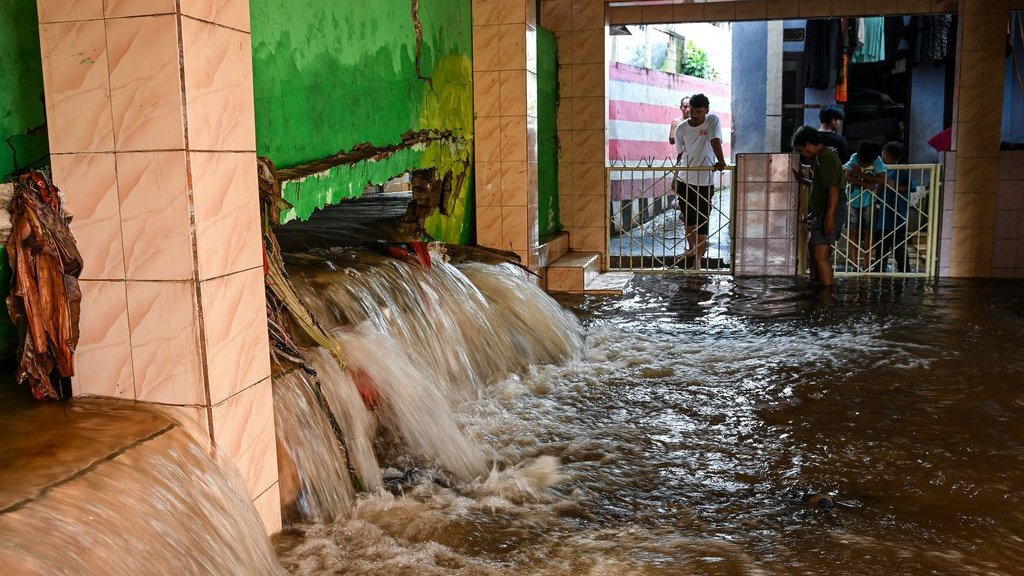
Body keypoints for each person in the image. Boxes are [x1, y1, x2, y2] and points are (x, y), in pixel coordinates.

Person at [673, 93, 727, 264]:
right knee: (688, 216)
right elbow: (680, 154)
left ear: (706, 110)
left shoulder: (712, 120)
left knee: (703, 217)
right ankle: (692, 250)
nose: (694, 115)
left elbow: (715, 140)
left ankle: (698, 258)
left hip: (705, 181)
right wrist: (675, 176)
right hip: (685, 179)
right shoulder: (681, 128)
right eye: (691, 112)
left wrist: (721, 160)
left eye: (698, 112)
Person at [792, 126, 847, 287]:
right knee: (814, 249)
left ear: (808, 145)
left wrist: (829, 218)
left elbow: (833, 189)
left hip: (830, 210)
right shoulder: (820, 158)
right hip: (825, 210)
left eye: (801, 150)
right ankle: (816, 287)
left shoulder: (825, 158)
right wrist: (803, 181)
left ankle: (826, 296)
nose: (802, 154)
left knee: (820, 253)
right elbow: (822, 186)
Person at [843, 142, 886, 270]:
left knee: (869, 233)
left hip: (869, 202)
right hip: (852, 201)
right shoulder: (855, 157)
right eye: (862, 163)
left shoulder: (876, 160)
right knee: (852, 233)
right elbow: (846, 176)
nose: (862, 165)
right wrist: (866, 184)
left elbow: (881, 179)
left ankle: (866, 264)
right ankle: (853, 264)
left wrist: (858, 174)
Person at [873, 141, 913, 272]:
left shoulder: (901, 171)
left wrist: (895, 187)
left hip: (897, 216)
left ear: (886, 154)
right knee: (881, 247)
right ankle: (880, 269)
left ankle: (904, 270)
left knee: (899, 247)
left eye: (884, 153)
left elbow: (911, 188)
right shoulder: (883, 170)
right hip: (884, 217)